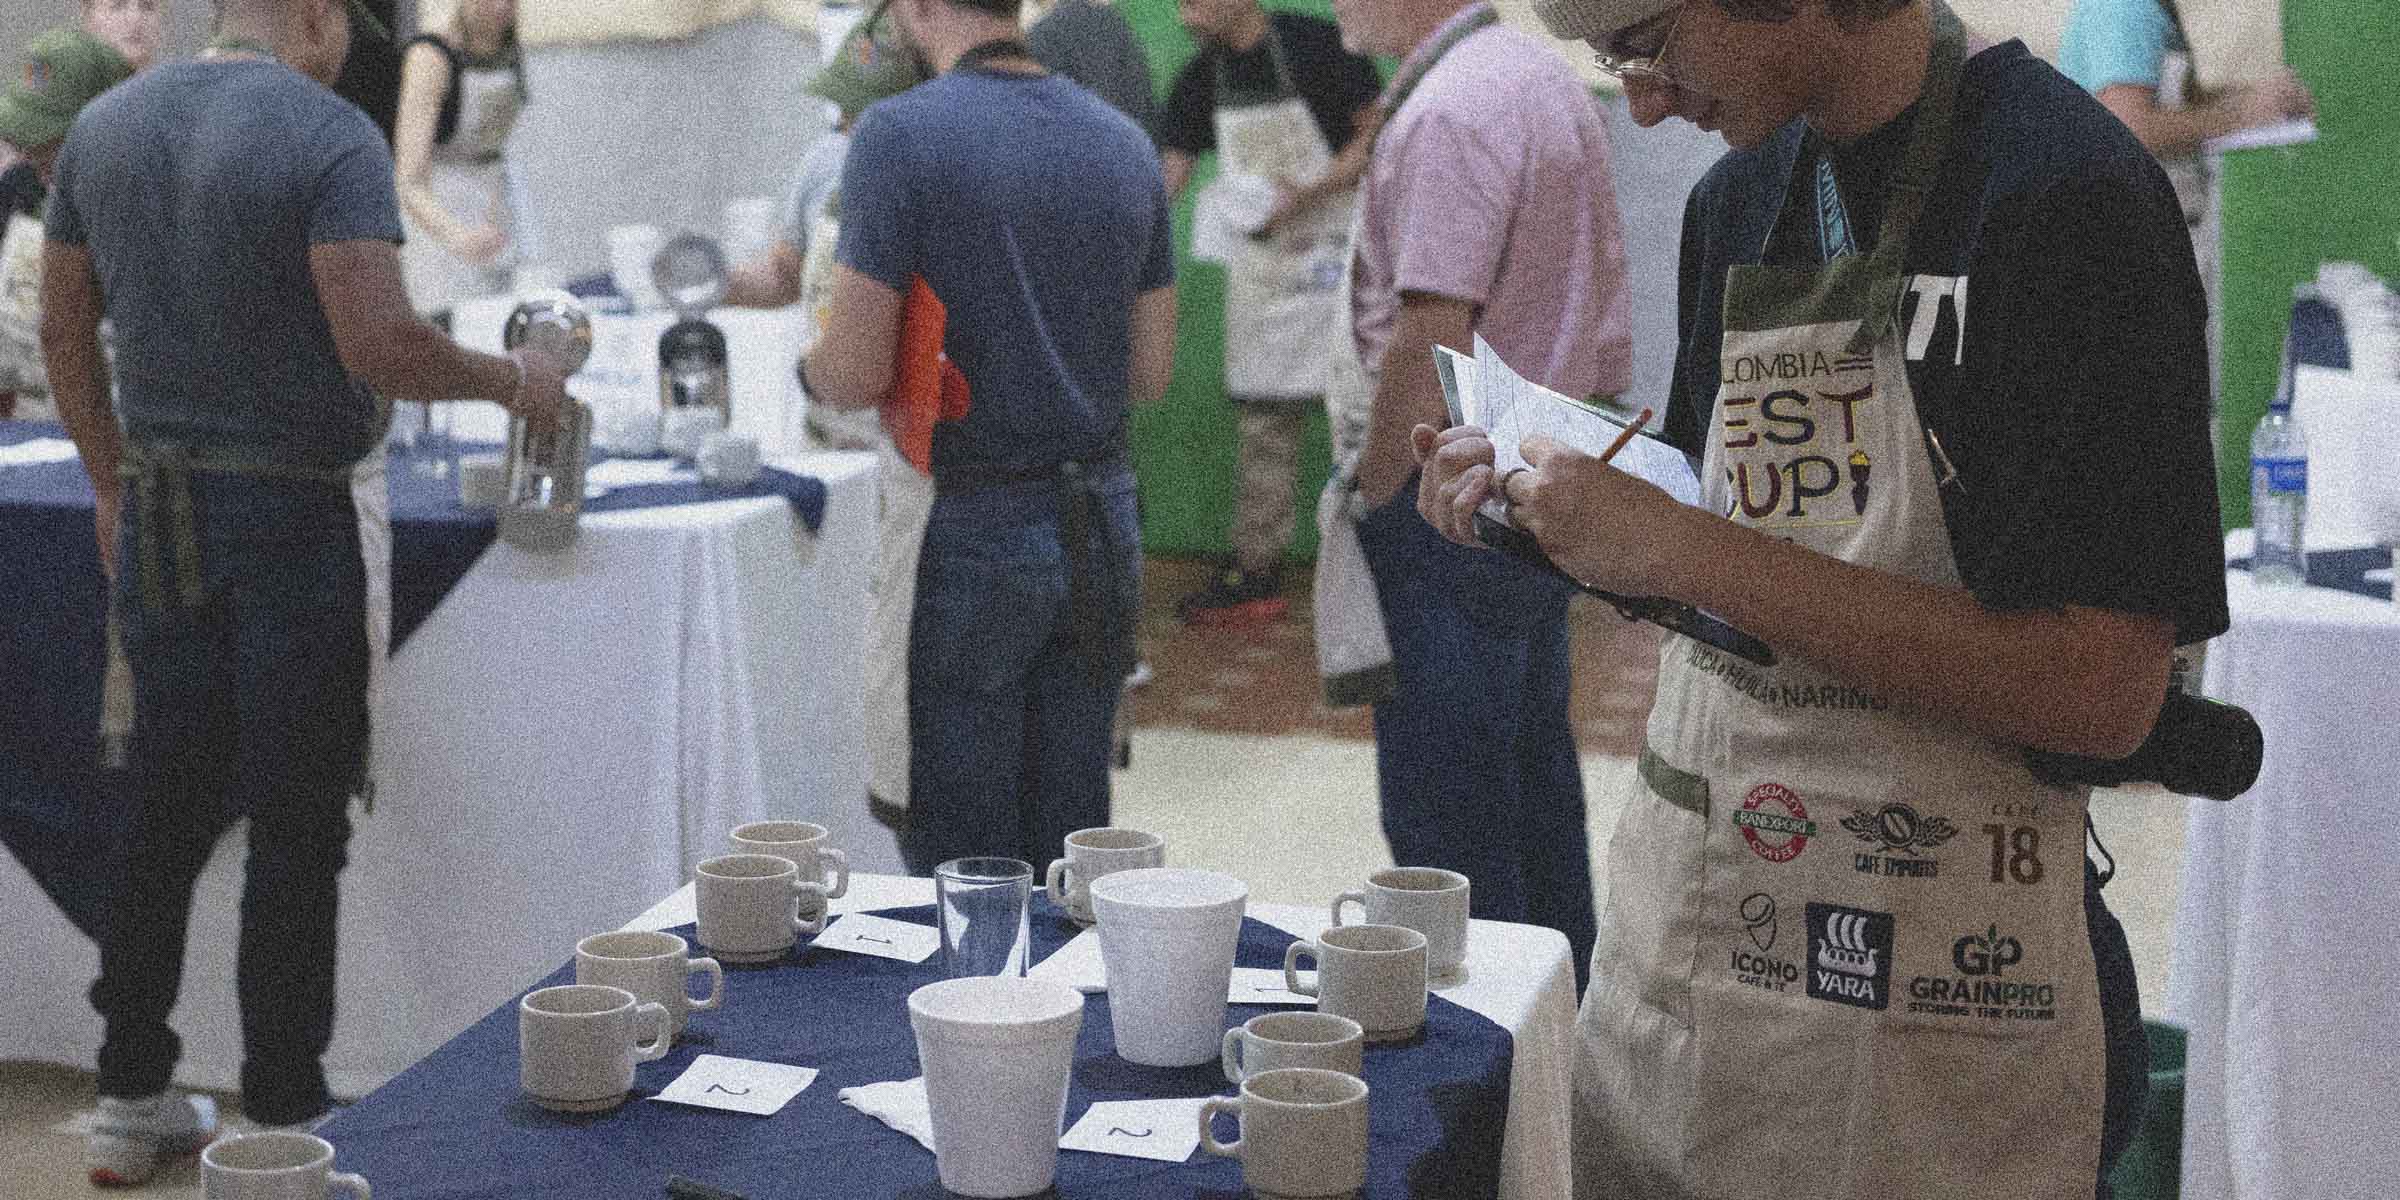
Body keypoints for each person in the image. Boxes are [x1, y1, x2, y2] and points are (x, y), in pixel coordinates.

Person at [1419, 0, 2229, 1194]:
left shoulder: (2064, 195)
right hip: (1695, 941)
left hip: (1934, 987)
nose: (1640, 99)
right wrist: (1559, 516)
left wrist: (1681, 549)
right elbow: (1740, 547)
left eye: (1646, 44)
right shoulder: (1739, 202)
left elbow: (2102, 690)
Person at [41, 0, 571, 1182]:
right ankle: (279, 1111)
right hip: (290, 513)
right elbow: (380, 342)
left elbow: (66, 327)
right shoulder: (327, 136)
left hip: (165, 507)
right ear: (322, 21)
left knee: (162, 811)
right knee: (292, 822)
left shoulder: (107, 128)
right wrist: (514, 378)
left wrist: (106, 483)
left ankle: (131, 1094)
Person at [802, 0, 1175, 874]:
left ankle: (978, 1009)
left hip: (968, 524)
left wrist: (807, 369)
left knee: (962, 859)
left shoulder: (898, 135)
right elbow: (1151, 373)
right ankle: (1066, 1009)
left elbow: (854, 371)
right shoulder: (1123, 142)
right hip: (1100, 523)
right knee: (1068, 841)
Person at [1319, 0, 1630, 987]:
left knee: (1447, 819)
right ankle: (1555, 1044)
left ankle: (1481, 1086)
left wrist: (1375, 496)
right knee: (1532, 779)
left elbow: (1430, 335)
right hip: (1530, 481)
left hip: (1447, 497)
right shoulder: (1531, 76)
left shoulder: (1452, 108)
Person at [1159, 0, 1382, 624]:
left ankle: (1380, 573)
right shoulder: (1200, 79)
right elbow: (1166, 178)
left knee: (1364, 421)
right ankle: (1257, 573)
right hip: (1268, 275)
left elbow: (1376, 133)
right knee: (1265, 426)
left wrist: (1307, 193)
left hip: (1340, 260)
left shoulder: (1319, 46)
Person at [2057, 0, 2312, 402]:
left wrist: (2254, 99)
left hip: (2133, 236)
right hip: (2115, 245)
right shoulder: (2127, 10)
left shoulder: (2149, 12)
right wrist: (2244, 114)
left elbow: (2172, 103)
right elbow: (2129, 127)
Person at [0, 2, 162, 422]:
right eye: (117, 5)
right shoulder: (18, 186)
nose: (31, 149)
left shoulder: (155, 204)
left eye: (50, 138)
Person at [392, 0, 527, 314]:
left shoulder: (509, 51)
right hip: (438, 214)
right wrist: (457, 237)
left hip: (493, 204)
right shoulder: (430, 55)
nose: (500, 7)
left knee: (497, 318)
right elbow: (408, 182)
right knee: (446, 326)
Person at [1026, 0, 1157, 135]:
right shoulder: (1117, 25)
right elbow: (1143, 100)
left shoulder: (1043, 35)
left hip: (1075, 145)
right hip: (1132, 143)